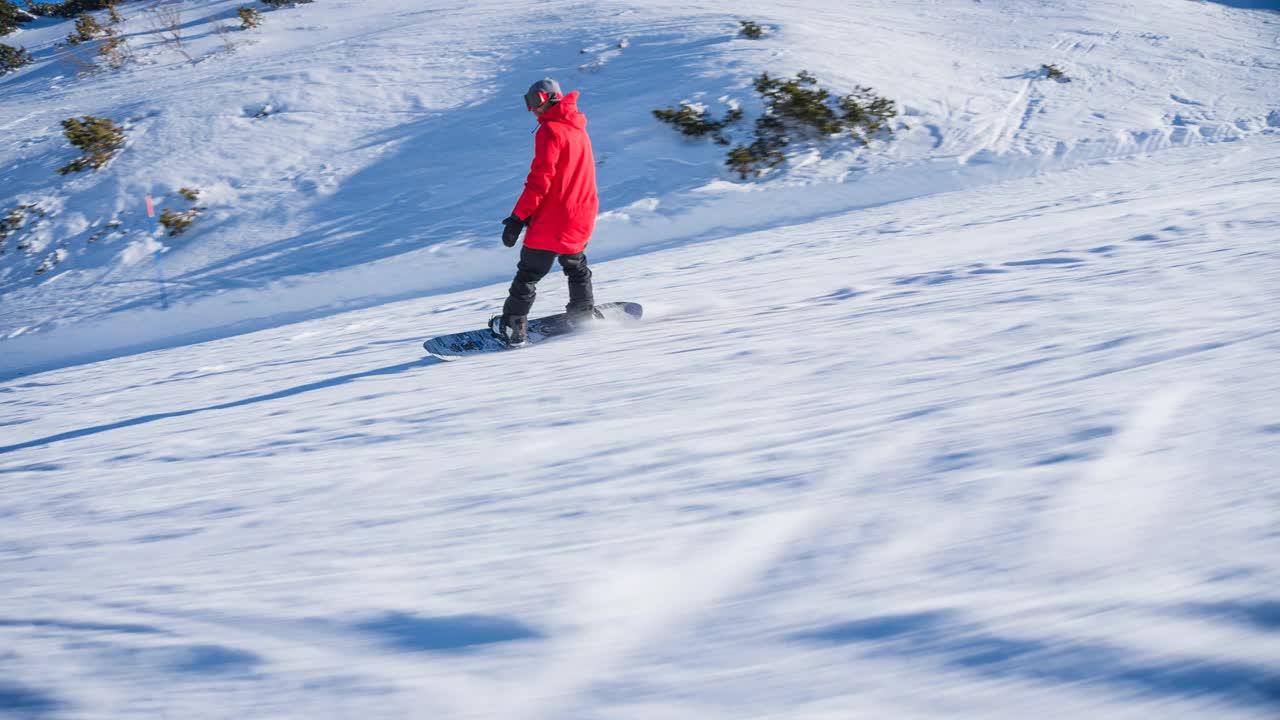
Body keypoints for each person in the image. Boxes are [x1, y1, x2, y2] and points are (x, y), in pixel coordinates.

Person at [492, 78, 600, 347]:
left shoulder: (550, 131)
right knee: (575, 265)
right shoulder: (578, 129)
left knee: (529, 272)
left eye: (532, 103)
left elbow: (541, 179)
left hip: (556, 216)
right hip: (582, 212)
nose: (531, 110)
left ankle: (513, 326)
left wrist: (518, 217)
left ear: (544, 99)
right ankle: (583, 313)